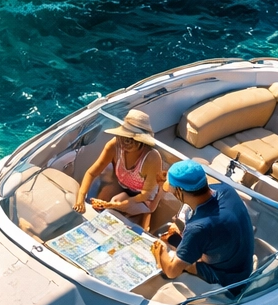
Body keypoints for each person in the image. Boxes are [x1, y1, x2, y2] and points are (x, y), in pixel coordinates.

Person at [150, 159, 255, 290]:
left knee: (169, 254)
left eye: (171, 189)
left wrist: (160, 250)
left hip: (229, 279)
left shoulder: (198, 228)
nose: (170, 191)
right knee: (174, 237)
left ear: (179, 191)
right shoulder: (226, 190)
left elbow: (172, 271)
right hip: (241, 262)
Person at [73, 109, 164, 230]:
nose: (125, 142)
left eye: (131, 139)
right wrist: (80, 198)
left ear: (141, 141)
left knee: (122, 212)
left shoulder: (152, 158)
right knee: (100, 206)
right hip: (123, 185)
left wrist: (119, 205)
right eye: (123, 137)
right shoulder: (114, 145)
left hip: (145, 197)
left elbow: (146, 194)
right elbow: (91, 172)